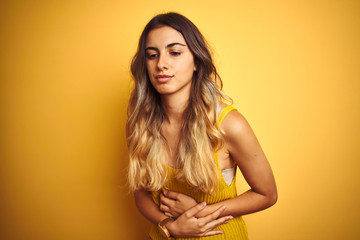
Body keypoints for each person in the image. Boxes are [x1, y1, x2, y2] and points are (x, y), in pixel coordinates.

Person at [126, 12, 277, 240]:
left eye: (174, 52)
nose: (161, 64)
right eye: (152, 55)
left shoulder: (228, 124)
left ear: (196, 61)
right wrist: (169, 226)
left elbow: (267, 194)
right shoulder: (139, 123)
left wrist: (199, 212)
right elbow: (141, 193)